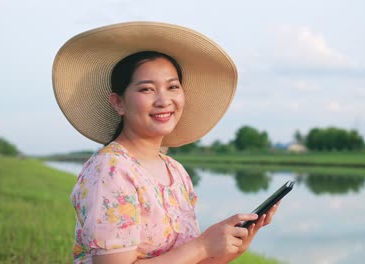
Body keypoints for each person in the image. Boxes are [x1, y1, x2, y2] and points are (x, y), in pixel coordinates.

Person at [53, 22, 279, 264]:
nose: (164, 100)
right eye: (147, 89)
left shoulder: (176, 172)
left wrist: (232, 246)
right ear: (118, 103)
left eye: (172, 87)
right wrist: (202, 246)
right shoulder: (111, 169)